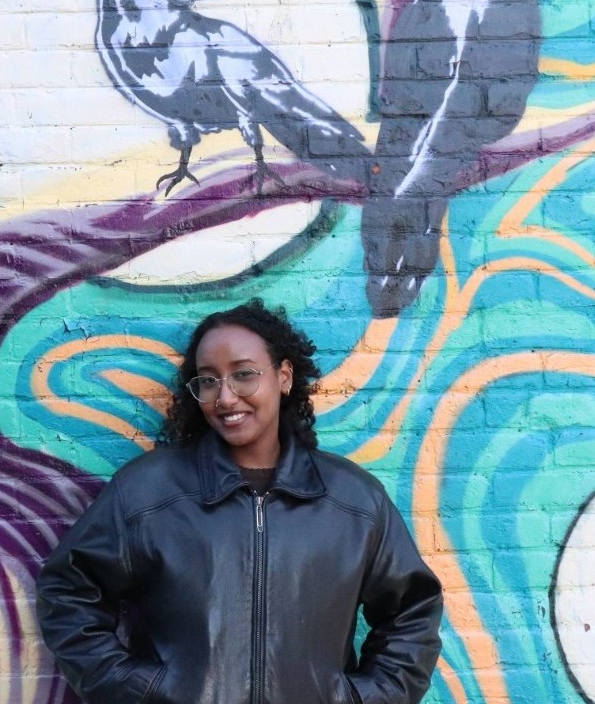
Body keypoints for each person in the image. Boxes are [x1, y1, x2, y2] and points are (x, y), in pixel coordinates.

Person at [36, 299, 443, 704]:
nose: (225, 397)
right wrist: (138, 691)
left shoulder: (353, 500)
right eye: (208, 380)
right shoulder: (148, 492)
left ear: (284, 377)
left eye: (243, 375)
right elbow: (68, 592)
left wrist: (359, 698)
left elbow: (412, 613)